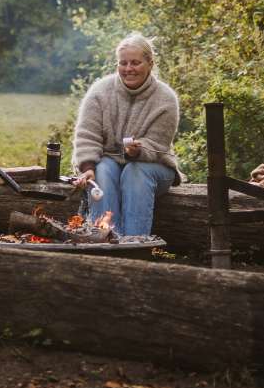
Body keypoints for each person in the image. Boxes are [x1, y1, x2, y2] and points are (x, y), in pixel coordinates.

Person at [70, 33, 182, 237]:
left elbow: (158, 145)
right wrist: (87, 168)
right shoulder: (100, 91)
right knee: (102, 169)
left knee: (134, 171)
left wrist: (135, 152)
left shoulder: (166, 99)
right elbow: (87, 135)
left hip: (153, 168)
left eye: (135, 62)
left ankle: (134, 245)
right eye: (123, 63)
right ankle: (106, 240)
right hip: (110, 165)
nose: (128, 69)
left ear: (150, 63)